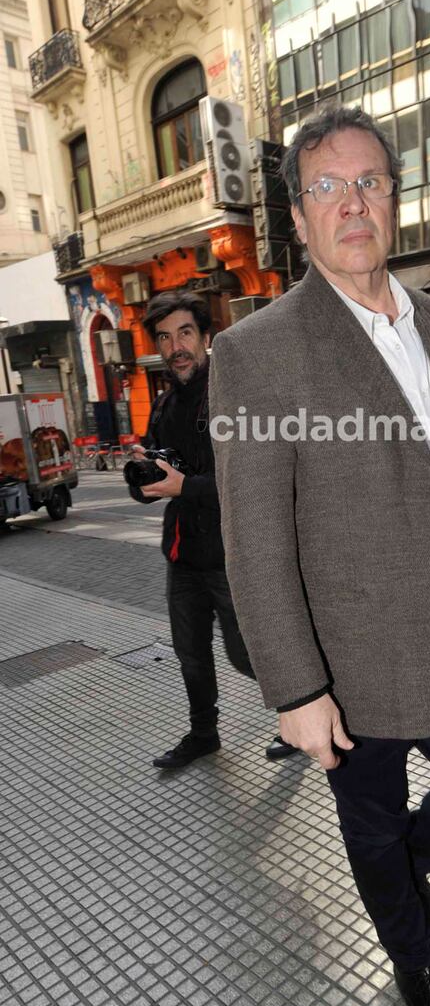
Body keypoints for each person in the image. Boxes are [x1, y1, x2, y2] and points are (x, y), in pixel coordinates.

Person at [209, 106, 430, 1006]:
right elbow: (252, 536)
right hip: (346, 665)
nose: (353, 203)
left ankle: (403, 871)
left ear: (394, 199)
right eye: (327, 187)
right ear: (298, 222)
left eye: (371, 183)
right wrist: (294, 688)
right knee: (371, 825)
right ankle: (419, 968)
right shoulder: (257, 350)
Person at [133, 290, 297, 769]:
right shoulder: (162, 406)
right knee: (190, 654)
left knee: (247, 654)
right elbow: (159, 482)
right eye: (164, 337)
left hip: (233, 555)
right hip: (182, 556)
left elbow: (249, 479)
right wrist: (143, 479)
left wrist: (184, 488)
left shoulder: (233, 396)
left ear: (206, 338)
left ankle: (300, 714)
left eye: (185, 333)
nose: (175, 346)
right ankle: (203, 734)